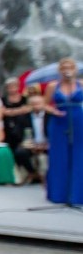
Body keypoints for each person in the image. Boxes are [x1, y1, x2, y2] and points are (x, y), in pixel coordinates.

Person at [44, 57, 83, 204]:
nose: (67, 70)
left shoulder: (81, 84)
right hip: (59, 121)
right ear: (60, 70)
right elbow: (45, 104)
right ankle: (59, 194)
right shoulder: (53, 86)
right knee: (59, 155)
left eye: (70, 67)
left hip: (79, 120)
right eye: (64, 68)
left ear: (74, 70)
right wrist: (53, 111)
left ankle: (77, 194)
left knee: (79, 155)